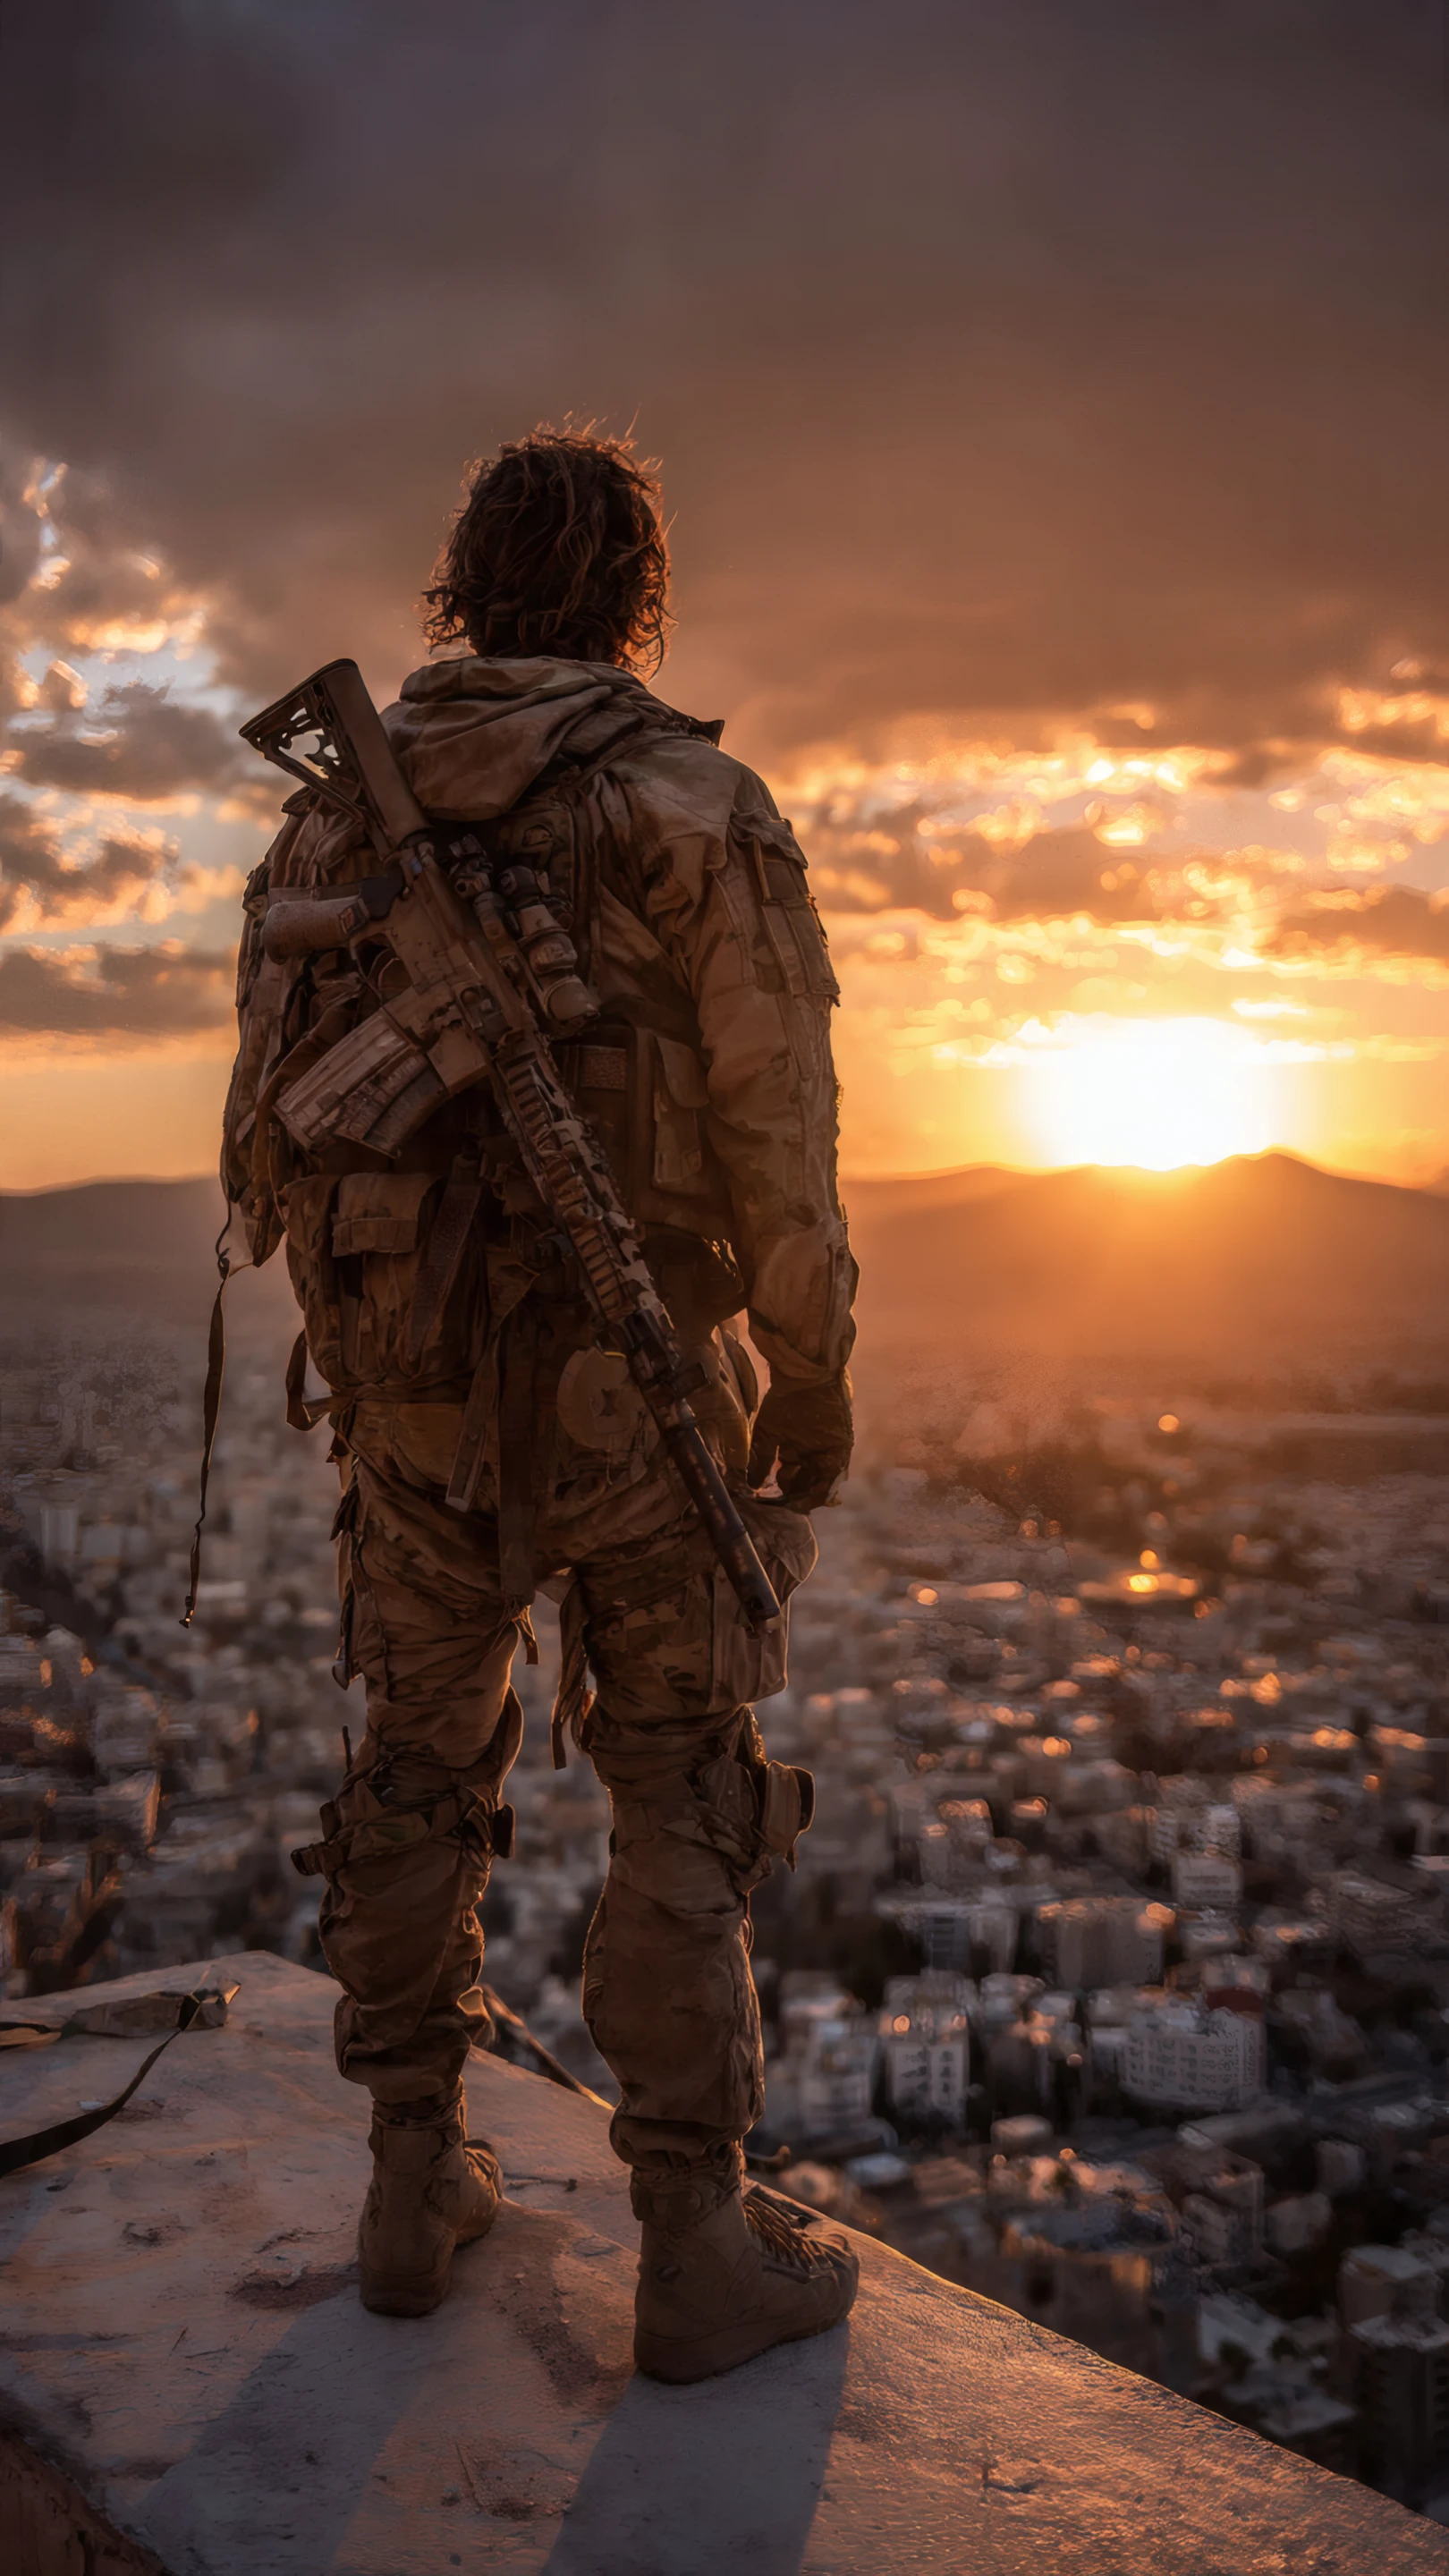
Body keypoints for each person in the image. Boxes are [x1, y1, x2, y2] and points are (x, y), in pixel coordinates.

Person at [222, 428, 859, 2383]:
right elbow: (778, 1131)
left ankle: (414, 2184)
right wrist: (810, 1364)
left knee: (418, 1776)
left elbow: (262, 1146)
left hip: (408, 1392)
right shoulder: (689, 800)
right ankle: (689, 2236)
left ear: (465, 589)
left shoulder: (333, 824)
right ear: (631, 595)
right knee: (676, 1777)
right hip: (629, 1381)